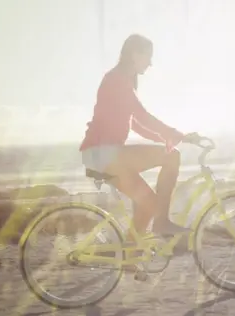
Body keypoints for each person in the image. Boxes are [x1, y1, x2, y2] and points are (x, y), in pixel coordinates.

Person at [79, 34, 200, 242]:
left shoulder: (121, 80)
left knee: (149, 203)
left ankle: (130, 256)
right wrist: (173, 134)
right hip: (104, 154)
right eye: (148, 56)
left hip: (102, 155)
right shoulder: (116, 80)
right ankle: (162, 222)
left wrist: (165, 139)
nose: (150, 63)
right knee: (172, 157)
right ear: (135, 54)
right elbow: (142, 115)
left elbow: (135, 122)